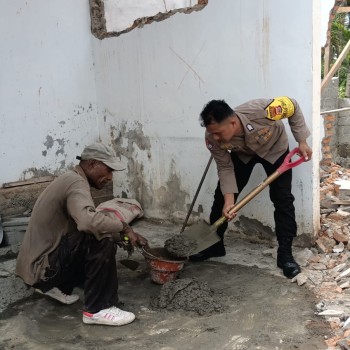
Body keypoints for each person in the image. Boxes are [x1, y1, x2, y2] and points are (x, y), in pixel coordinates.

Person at [16, 142, 148, 326]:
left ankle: (56, 287)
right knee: (102, 240)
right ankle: (98, 309)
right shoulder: (76, 183)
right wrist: (124, 228)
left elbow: (82, 222)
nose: (110, 178)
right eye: (108, 171)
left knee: (101, 234)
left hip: (38, 266)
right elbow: (88, 222)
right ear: (92, 164)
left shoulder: (72, 178)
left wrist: (124, 236)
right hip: (42, 268)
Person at [189, 97, 312, 279]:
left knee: (282, 199)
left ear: (232, 122)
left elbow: (292, 105)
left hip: (275, 150)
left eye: (218, 133)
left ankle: (285, 255)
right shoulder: (212, 138)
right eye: (211, 133)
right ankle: (215, 246)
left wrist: (301, 141)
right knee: (222, 198)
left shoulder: (263, 111)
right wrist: (229, 201)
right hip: (244, 154)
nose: (215, 138)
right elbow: (225, 167)